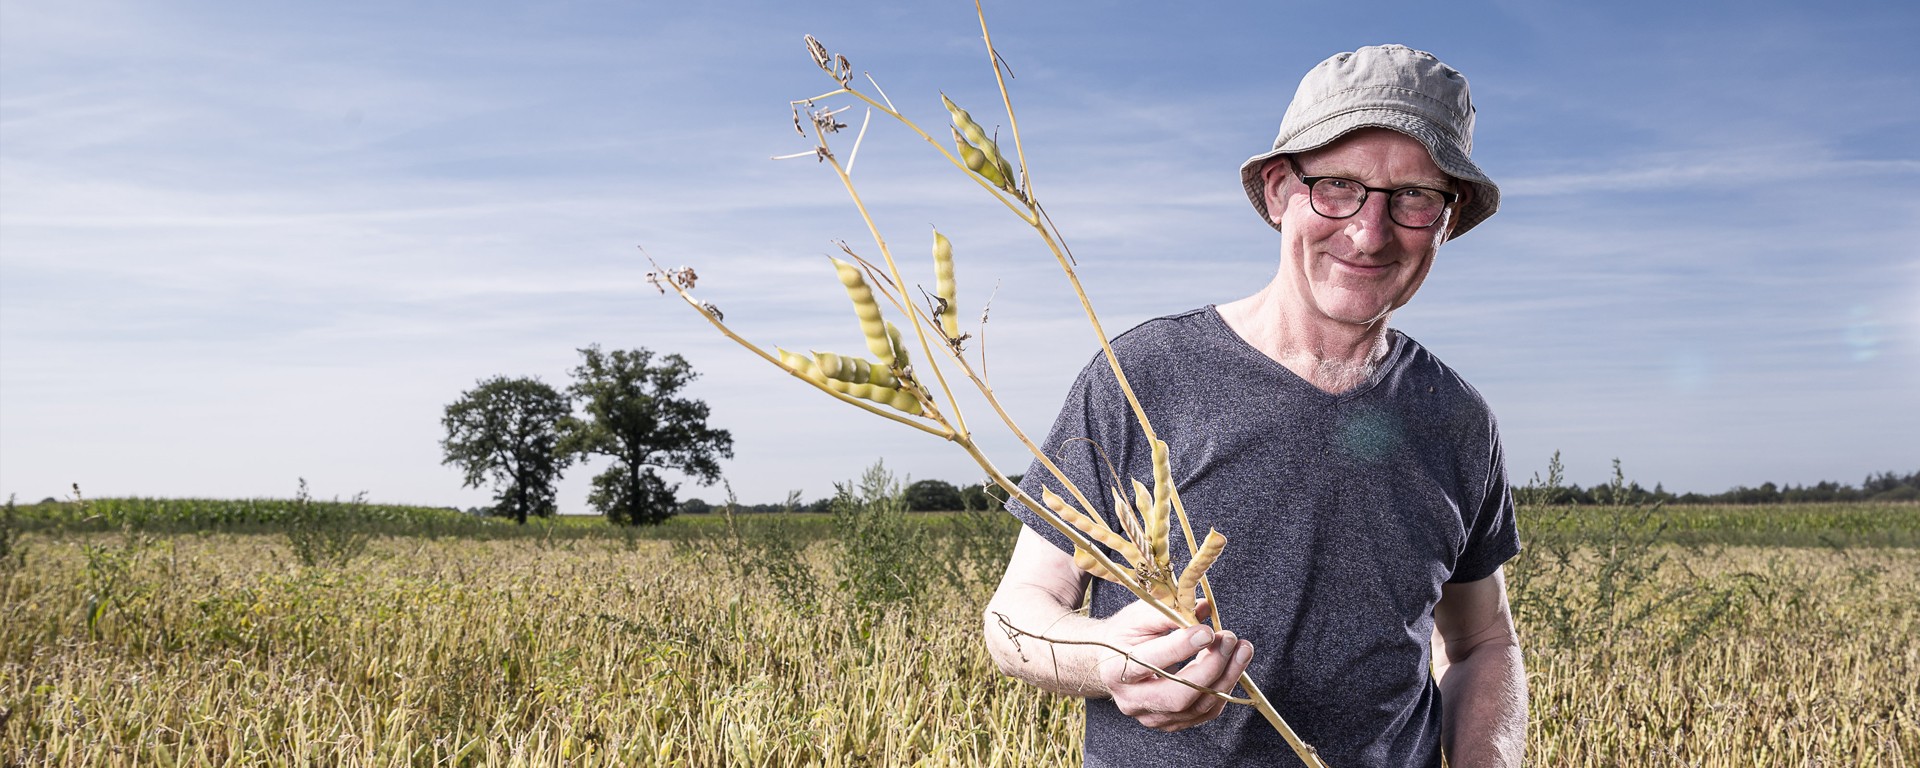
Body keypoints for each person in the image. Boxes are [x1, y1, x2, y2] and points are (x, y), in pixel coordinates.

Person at [982, 44, 1527, 768]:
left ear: (1447, 219)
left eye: (1414, 197)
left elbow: (1482, 642)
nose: (1369, 232)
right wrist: (1109, 655)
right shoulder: (1145, 374)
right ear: (1278, 191)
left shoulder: (1458, 419)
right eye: (1338, 186)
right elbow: (1015, 616)